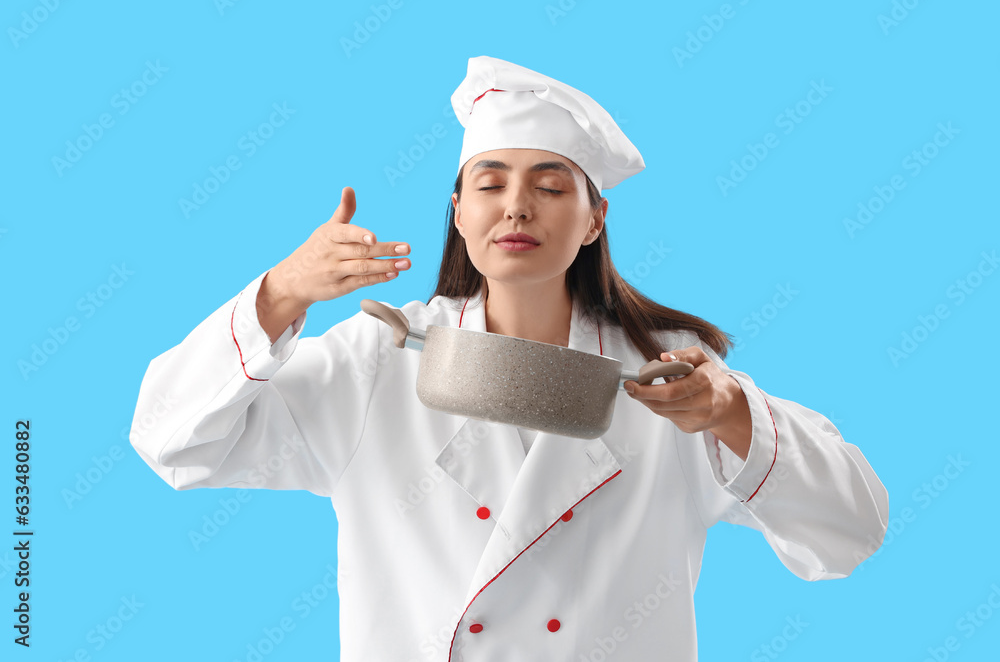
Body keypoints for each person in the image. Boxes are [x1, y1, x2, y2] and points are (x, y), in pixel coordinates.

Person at [130, 56, 888, 661]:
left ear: (594, 220)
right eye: (490, 184)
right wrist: (280, 293)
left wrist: (735, 414)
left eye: (550, 186)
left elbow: (854, 528)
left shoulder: (673, 385)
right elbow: (170, 438)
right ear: (459, 214)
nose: (517, 206)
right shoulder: (379, 358)